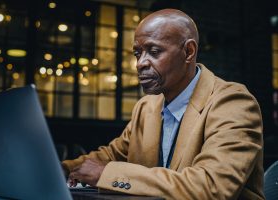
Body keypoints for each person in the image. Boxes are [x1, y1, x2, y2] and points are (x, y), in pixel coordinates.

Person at [62, 9, 264, 200]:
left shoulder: (233, 103)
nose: (141, 63)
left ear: (189, 52)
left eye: (154, 51)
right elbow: (110, 156)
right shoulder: (146, 107)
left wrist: (108, 174)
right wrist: (59, 170)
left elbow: (211, 187)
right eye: (138, 53)